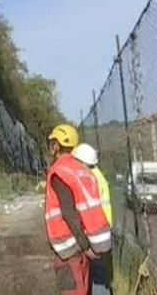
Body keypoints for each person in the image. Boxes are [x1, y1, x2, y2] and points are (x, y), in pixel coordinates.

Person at [44, 124, 112, 295]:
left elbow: (68, 213)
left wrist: (83, 243)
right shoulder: (81, 170)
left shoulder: (60, 171)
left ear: (57, 145)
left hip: (68, 250)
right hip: (83, 248)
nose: (51, 147)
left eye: (53, 142)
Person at [72, 143, 113, 295]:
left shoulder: (89, 178)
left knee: (98, 276)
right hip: (103, 230)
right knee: (99, 275)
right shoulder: (97, 175)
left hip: (97, 232)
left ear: (83, 162)